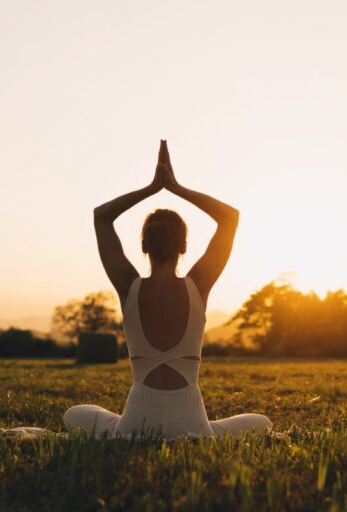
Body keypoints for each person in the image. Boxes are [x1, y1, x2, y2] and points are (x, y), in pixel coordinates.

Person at [63, 140, 272, 439]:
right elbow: (229, 217)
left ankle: (127, 429)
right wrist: (176, 187)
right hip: (191, 424)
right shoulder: (198, 286)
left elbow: (102, 216)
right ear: (184, 246)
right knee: (261, 421)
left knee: (74, 414)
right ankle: (202, 431)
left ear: (144, 246)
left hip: (135, 425)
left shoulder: (128, 285)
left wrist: (152, 188)